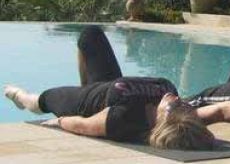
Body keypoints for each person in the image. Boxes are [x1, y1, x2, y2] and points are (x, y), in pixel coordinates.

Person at [4, 25, 215, 149]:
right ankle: (85, 82)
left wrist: (59, 121)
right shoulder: (170, 95)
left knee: (36, 102)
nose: (176, 100)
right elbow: (219, 111)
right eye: (183, 106)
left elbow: (82, 126)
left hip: (85, 101)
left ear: (160, 120)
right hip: (110, 85)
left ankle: (18, 96)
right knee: (91, 34)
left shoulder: (121, 119)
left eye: (173, 107)